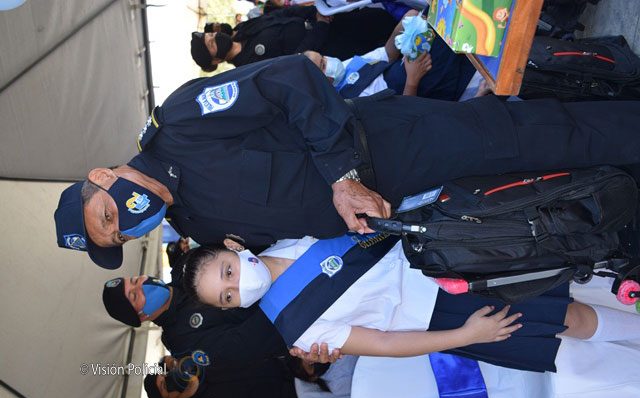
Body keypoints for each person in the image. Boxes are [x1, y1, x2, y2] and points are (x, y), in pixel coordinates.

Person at [54, 54, 640, 269]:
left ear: (102, 178)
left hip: (388, 146)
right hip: (407, 210)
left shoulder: (181, 122)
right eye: (119, 237)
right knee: (547, 186)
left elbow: (291, 79)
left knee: (531, 139)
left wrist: (342, 177)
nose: (127, 225)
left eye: (108, 216)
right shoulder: (198, 227)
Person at [181, 236, 640, 374]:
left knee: (564, 267)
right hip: (442, 313)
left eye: (228, 271)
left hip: (440, 253)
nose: (239, 285)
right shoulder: (294, 326)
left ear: (234, 248)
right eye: (228, 295)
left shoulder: (287, 235)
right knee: (565, 317)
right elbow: (382, 343)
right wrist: (466, 336)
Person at [101, 276, 289, 367]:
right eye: (134, 295)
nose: (142, 285)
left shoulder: (185, 268)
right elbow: (245, 342)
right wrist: (281, 298)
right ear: (141, 316)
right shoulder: (181, 341)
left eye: (135, 280)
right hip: (288, 319)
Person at [303, 9, 477, 100]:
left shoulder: (346, 67)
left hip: (405, 64)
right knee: (450, 28)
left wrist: (403, 24)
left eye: (323, 57)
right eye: (323, 65)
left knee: (434, 13)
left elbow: (387, 53)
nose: (329, 61)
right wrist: (412, 79)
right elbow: (404, 119)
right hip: (416, 86)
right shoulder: (351, 105)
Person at [190, 5, 397, 71]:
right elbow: (296, 61)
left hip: (332, 21)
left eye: (212, 35)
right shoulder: (250, 67)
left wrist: (316, 14)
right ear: (215, 61)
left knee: (381, 17)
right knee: (390, 44)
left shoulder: (243, 29)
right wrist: (320, 27)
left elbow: (281, 14)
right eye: (212, 43)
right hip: (334, 47)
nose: (216, 36)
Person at [143, 354, 306, 398]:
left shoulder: (200, 363)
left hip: (291, 366)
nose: (170, 379)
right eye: (165, 386)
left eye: (166, 376)